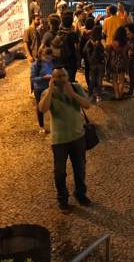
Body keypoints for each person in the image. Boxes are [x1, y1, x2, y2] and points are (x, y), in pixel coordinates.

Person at [38, 66, 92, 211]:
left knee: (80, 169)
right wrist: (49, 89)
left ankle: (80, 194)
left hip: (78, 136)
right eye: (58, 76)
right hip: (59, 140)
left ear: (68, 76)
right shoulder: (48, 92)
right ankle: (63, 199)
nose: (61, 79)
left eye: (64, 76)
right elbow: (42, 108)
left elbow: (87, 105)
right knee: (60, 172)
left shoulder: (76, 88)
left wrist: (72, 94)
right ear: (53, 78)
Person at [31, 48, 54, 133]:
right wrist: (43, 78)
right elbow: (33, 79)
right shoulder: (36, 65)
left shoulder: (52, 62)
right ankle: (41, 125)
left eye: (50, 58)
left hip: (50, 87)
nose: (49, 60)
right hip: (39, 89)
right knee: (40, 107)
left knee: (53, 105)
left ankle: (54, 124)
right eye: (47, 58)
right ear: (41, 56)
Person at [55, 13, 81, 83]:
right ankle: (71, 89)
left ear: (62, 23)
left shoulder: (58, 33)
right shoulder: (74, 34)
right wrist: (78, 59)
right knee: (71, 77)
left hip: (61, 58)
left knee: (62, 77)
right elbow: (77, 48)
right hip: (71, 58)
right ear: (72, 23)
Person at [82, 25, 105, 102]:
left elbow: (84, 50)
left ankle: (90, 94)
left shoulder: (90, 40)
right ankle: (98, 96)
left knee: (92, 79)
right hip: (100, 62)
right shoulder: (101, 40)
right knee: (99, 80)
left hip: (92, 63)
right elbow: (105, 49)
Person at [24, 14, 42, 96]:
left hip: (38, 56)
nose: (39, 21)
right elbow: (25, 43)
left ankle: (36, 90)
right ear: (33, 19)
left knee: (37, 73)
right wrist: (28, 55)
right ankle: (31, 91)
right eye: (37, 19)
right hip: (32, 56)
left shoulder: (37, 30)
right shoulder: (28, 30)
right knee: (33, 73)